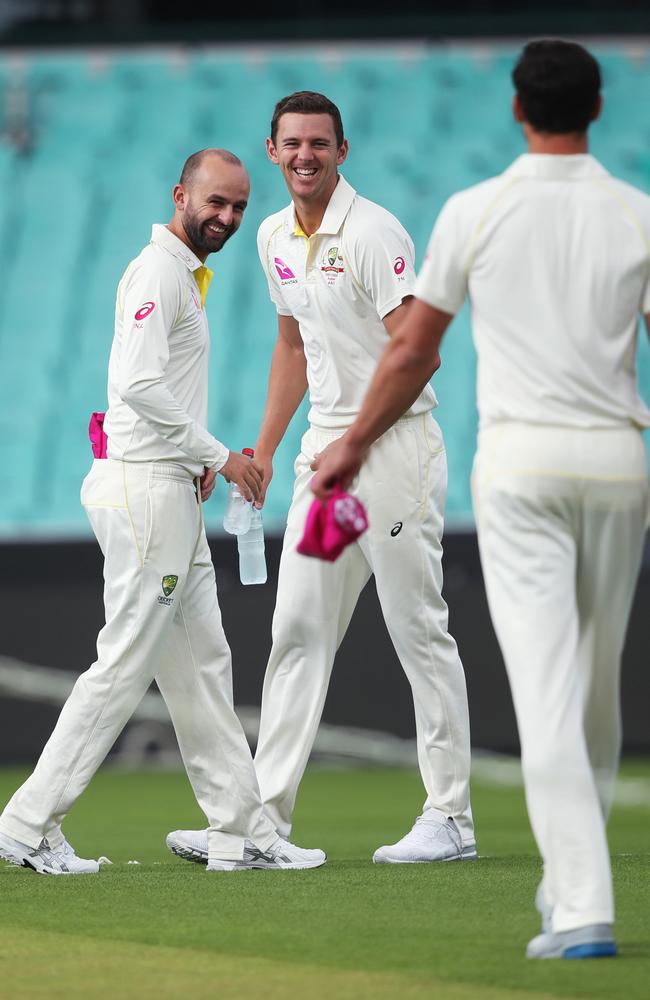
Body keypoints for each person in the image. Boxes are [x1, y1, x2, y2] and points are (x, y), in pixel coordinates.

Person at [310, 41, 650, 958]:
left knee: (545, 685)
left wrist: (349, 442)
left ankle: (580, 905)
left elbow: (414, 350)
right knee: (595, 689)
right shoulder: (637, 213)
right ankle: (567, 883)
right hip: (620, 465)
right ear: (599, 104)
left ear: (515, 107)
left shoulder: (477, 208)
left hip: (522, 469)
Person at [168, 93, 476, 865]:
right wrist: (265, 450)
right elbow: (294, 349)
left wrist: (356, 442)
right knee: (296, 631)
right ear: (271, 152)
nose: (305, 155)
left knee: (418, 631)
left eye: (319, 143)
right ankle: (262, 822)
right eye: (292, 144)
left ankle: (451, 818)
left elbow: (420, 353)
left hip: (395, 454)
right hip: (325, 465)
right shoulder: (272, 234)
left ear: (344, 151)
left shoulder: (372, 233)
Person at [0, 149, 325, 875]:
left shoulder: (182, 274)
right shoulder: (158, 272)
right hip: (146, 490)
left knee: (204, 664)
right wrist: (216, 455)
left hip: (165, 484)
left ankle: (242, 834)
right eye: (216, 202)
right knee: (122, 665)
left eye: (239, 207)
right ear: (181, 194)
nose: (228, 218)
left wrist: (192, 462)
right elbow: (138, 384)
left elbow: (154, 391)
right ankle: (25, 825)